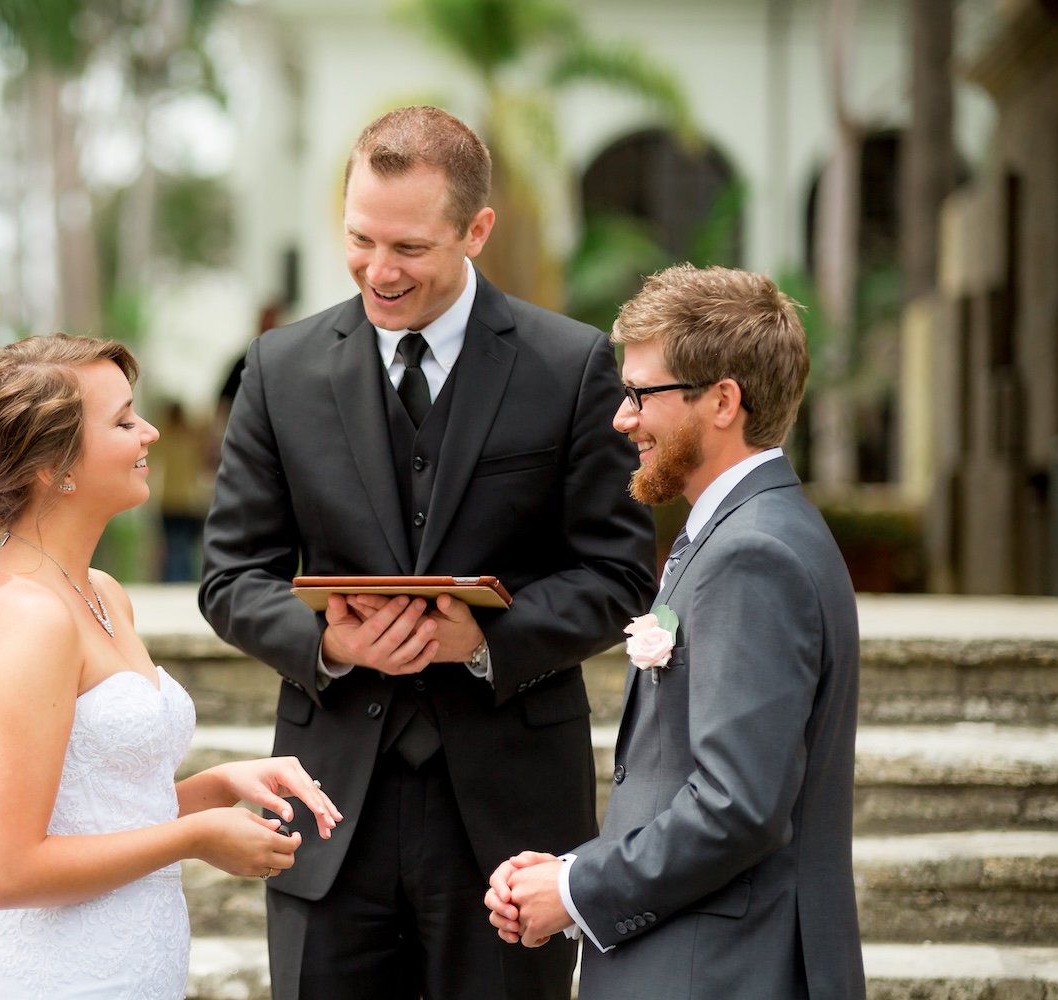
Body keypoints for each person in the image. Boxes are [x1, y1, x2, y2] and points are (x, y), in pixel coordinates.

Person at [198, 106, 656, 1000]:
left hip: (509, 820)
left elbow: (619, 574)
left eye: (409, 247)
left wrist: (484, 640)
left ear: (476, 230)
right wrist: (329, 643)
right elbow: (231, 577)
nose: (379, 270)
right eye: (359, 240)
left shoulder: (570, 366)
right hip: (329, 806)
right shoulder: (280, 370)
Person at [0, 333, 341, 999]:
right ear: (53, 467)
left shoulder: (102, 593)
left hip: (136, 966)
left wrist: (217, 785)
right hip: (63, 976)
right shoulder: (30, 619)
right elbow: (9, 872)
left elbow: (98, 817)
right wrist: (192, 838)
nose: (151, 432)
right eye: (123, 422)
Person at [485, 264, 865, 999]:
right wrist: (568, 874)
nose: (621, 419)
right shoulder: (745, 530)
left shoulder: (752, 553)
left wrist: (575, 890)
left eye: (641, 395)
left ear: (722, 400)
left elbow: (736, 807)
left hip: (721, 974)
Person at [154, 400, 212, 582]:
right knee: (183, 546)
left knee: (176, 545)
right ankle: (180, 579)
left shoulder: (168, 438)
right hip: (185, 500)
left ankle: (176, 579)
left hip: (174, 500)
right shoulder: (191, 439)